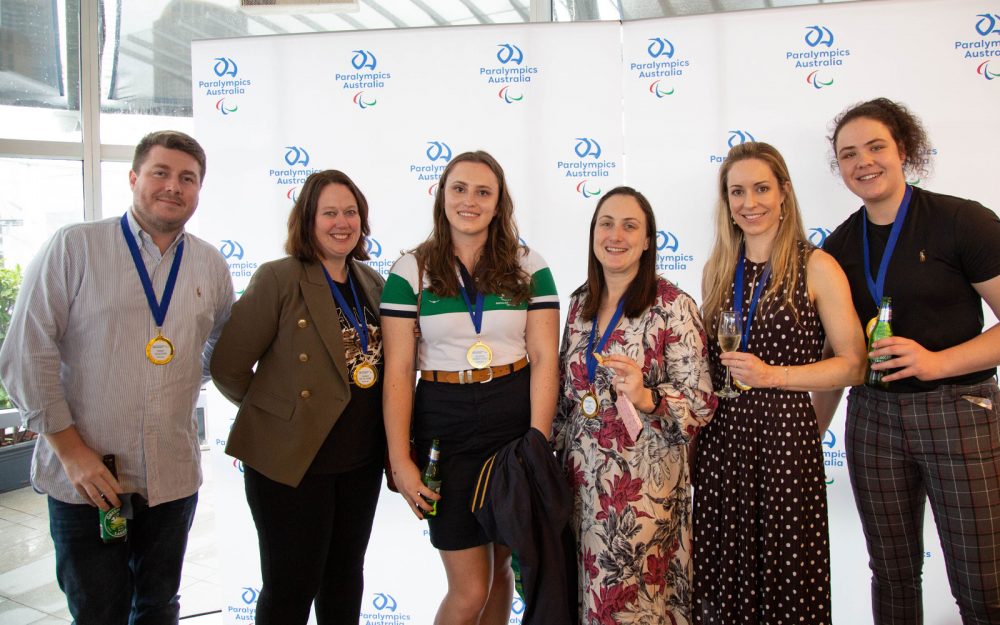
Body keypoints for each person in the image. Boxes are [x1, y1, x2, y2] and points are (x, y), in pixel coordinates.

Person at [0, 131, 233, 624]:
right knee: (98, 611)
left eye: (187, 178)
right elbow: (26, 351)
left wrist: (179, 372)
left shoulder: (210, 263)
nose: (173, 187)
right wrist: (71, 452)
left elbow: (221, 344)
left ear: (198, 191)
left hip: (170, 477)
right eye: (160, 173)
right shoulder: (75, 247)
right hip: (86, 477)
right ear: (133, 178)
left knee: (158, 606)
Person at [820, 98, 1000, 625]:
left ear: (904, 149)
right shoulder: (838, 248)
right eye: (848, 154)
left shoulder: (961, 220)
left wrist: (936, 362)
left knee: (983, 582)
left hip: (959, 412)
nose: (863, 162)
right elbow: (838, 356)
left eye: (876, 146)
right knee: (893, 577)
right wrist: (811, 433)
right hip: (873, 418)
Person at [379, 150, 560, 625]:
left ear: (499, 204)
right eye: (459, 189)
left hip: (512, 417)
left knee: (501, 572)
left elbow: (544, 358)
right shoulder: (409, 270)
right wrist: (400, 460)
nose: (470, 201)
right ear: (442, 196)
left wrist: (537, 443)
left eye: (484, 192)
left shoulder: (529, 265)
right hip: (445, 421)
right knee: (469, 589)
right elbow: (398, 371)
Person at [693, 141, 866, 625]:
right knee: (725, 573)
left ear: (785, 193)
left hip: (787, 441)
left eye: (762, 188)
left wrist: (774, 376)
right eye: (737, 192)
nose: (750, 203)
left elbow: (854, 364)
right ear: (725, 202)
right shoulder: (717, 269)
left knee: (790, 574)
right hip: (722, 442)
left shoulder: (817, 266)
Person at [210, 170, 385, 625]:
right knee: (291, 586)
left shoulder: (371, 281)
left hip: (359, 461)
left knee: (345, 580)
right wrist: (280, 417)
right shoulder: (278, 278)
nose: (341, 222)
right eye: (329, 212)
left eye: (351, 212)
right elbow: (227, 366)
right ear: (308, 220)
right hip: (293, 465)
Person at [552, 186, 716, 625]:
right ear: (593, 234)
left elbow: (701, 403)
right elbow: (563, 397)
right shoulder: (579, 304)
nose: (616, 234)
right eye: (606, 223)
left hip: (643, 492)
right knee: (586, 603)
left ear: (648, 240)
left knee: (632, 610)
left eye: (630, 225)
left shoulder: (673, 306)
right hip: (580, 485)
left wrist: (647, 397)